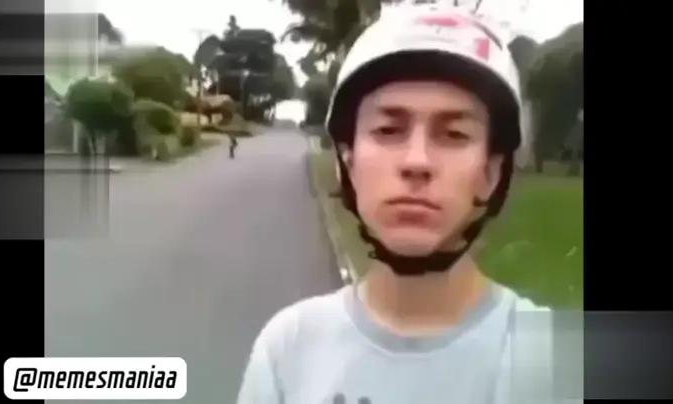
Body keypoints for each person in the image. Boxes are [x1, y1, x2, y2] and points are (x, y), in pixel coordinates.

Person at [237, 5, 560, 404]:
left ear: (491, 174)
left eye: (454, 134)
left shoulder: (556, 358)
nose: (417, 162)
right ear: (348, 164)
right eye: (388, 130)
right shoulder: (288, 349)